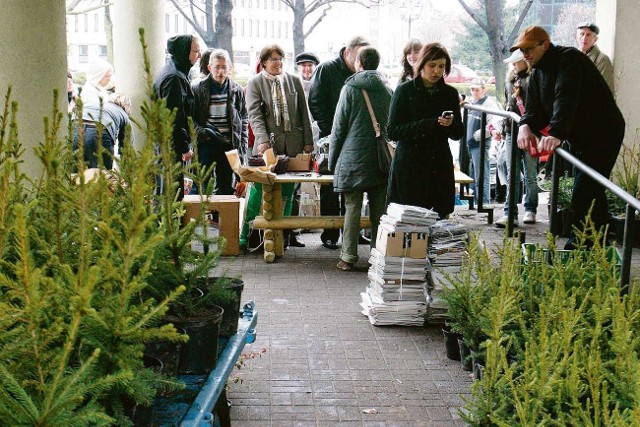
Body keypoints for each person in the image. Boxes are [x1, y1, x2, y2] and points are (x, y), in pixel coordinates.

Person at [512, 25, 625, 250]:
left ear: (545, 44)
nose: (525, 55)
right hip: (580, 137)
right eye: (522, 51)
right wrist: (525, 125)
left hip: (603, 132)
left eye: (529, 49)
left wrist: (555, 133)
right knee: (591, 190)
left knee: (583, 192)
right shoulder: (537, 73)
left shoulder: (569, 59)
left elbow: (566, 97)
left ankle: (581, 247)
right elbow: (535, 111)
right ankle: (600, 240)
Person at [241, 44, 314, 250]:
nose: (278, 63)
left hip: (293, 144)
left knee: (288, 192)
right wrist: (262, 141)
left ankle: (283, 236)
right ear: (263, 62)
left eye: (280, 59)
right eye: (273, 59)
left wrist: (308, 142)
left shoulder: (293, 81)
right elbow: (254, 114)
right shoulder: (255, 83)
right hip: (268, 146)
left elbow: (304, 113)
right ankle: (248, 236)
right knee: (258, 190)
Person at [329, 46, 392, 271]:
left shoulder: (350, 88)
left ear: (359, 64)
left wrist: (332, 161)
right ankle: (378, 256)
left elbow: (339, 128)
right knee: (379, 211)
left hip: (353, 159)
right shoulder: (387, 88)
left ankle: (348, 257)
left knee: (352, 208)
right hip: (380, 159)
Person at [387, 42, 464, 219]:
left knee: (439, 221)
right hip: (410, 166)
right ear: (422, 65)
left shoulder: (449, 93)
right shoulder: (404, 91)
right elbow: (393, 131)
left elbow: (458, 133)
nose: (437, 71)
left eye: (441, 66)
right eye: (432, 65)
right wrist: (430, 124)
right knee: (408, 223)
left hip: (439, 165)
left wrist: (450, 124)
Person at [309, 36, 371, 250]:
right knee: (329, 184)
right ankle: (330, 232)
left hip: (355, 139)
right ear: (347, 52)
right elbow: (315, 102)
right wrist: (332, 131)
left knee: (355, 185)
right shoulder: (326, 69)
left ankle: (352, 232)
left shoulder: (362, 73)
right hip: (330, 138)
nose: (361, 60)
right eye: (358, 56)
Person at [192, 48, 248, 195]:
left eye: (224, 67)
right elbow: (190, 118)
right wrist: (202, 134)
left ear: (229, 68)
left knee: (226, 187)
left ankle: (223, 217)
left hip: (228, 144)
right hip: (207, 143)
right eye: (217, 67)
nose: (220, 71)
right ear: (210, 67)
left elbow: (243, 118)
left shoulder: (236, 90)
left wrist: (242, 145)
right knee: (202, 186)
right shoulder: (198, 88)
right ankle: (203, 218)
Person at [153, 34, 202, 199]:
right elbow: (174, 117)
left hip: (165, 143)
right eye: (196, 51)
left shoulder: (174, 72)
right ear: (184, 52)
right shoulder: (174, 77)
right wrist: (184, 147)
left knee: (165, 192)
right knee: (171, 195)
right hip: (171, 146)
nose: (199, 56)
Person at [495, 49, 539, 228]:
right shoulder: (509, 81)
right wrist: (504, 128)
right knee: (512, 172)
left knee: (530, 173)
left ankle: (530, 208)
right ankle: (509, 213)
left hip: (530, 130)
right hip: (512, 130)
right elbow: (508, 105)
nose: (513, 65)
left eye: (517, 61)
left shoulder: (534, 78)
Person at [465, 78, 502, 206]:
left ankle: (484, 203)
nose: (474, 92)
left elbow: (494, 123)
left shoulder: (489, 104)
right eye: (472, 90)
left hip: (479, 144)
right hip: (470, 143)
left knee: (482, 177)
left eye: (477, 90)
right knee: (472, 177)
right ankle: (475, 203)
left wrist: (476, 136)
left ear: (484, 90)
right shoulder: (471, 102)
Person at [73, 92, 132, 170]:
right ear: (126, 106)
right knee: (102, 176)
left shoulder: (97, 104)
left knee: (75, 176)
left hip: (76, 128)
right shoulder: (123, 114)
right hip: (99, 132)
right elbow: (126, 148)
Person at [576, 22, 614, 92]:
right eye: (582, 34)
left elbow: (607, 92)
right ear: (576, 37)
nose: (584, 38)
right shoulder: (572, 57)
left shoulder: (602, 60)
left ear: (595, 39)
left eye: (588, 35)